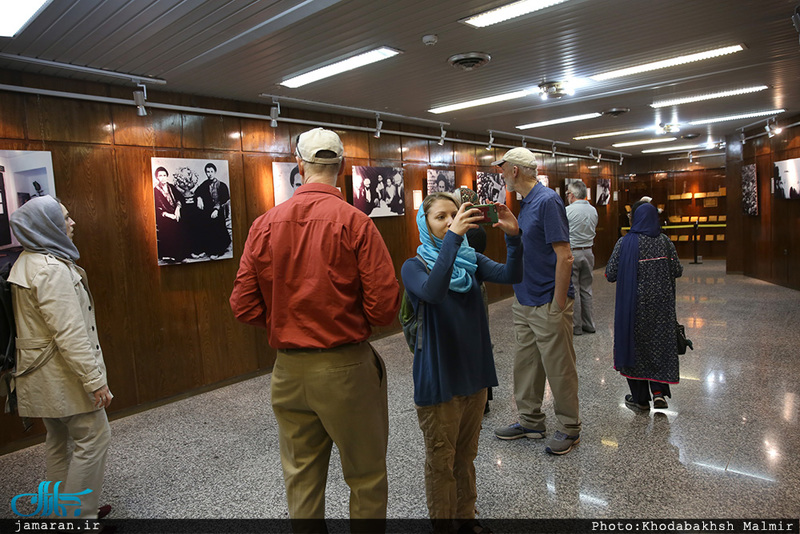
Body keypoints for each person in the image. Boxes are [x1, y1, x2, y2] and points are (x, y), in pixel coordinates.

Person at [230, 128, 400, 531]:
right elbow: (384, 308)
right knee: (366, 477)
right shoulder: (356, 223)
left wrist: (282, 320)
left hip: (287, 370)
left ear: (299, 164)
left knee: (302, 479)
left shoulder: (264, 225)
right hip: (346, 369)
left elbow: (242, 304)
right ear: (341, 167)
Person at [402, 192, 522, 534]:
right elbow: (434, 292)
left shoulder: (470, 260)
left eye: (454, 214)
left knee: (465, 458)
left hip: (474, 375)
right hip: (439, 379)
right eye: (441, 217)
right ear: (424, 224)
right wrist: (453, 239)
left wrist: (514, 238)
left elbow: (513, 273)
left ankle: (466, 519)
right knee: (441, 462)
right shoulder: (414, 266)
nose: (450, 221)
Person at [8, 196, 113, 520]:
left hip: (40, 375)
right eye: (65, 218)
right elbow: (70, 333)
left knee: (58, 439)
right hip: (63, 375)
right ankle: (79, 517)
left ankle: (58, 511)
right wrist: (95, 381)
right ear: (47, 226)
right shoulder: (52, 270)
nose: (72, 223)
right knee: (94, 437)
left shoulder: (26, 260)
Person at [491, 147, 582, 456]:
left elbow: (565, 257)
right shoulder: (527, 204)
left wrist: (558, 304)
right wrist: (513, 231)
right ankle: (531, 421)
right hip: (525, 298)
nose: (501, 174)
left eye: (502, 169)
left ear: (514, 170)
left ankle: (569, 427)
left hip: (546, 301)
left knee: (559, 368)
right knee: (526, 366)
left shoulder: (547, 202)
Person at [605, 201, 683, 410]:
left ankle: (640, 399)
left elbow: (610, 274)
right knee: (659, 347)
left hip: (634, 309)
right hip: (662, 308)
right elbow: (677, 270)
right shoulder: (665, 242)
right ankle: (658, 393)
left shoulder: (625, 243)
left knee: (636, 349)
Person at [566, 181, 598, 336]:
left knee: (574, 289)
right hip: (589, 252)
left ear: (571, 195)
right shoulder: (593, 210)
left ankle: (576, 326)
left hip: (573, 252)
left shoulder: (568, 211)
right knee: (587, 288)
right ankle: (589, 324)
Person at [194, 163, 231, 258]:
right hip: (207, 211)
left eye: (211, 172)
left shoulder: (222, 185)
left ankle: (218, 251)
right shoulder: (205, 184)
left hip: (219, 211)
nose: (209, 174)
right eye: (207, 172)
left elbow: (224, 199)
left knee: (216, 226)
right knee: (203, 225)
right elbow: (197, 192)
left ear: (215, 172)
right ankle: (207, 249)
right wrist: (199, 198)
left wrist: (216, 209)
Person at [153, 166, 186, 263]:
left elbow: (180, 198)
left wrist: (178, 208)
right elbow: (157, 208)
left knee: (184, 221)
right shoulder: (155, 191)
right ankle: (170, 255)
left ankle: (183, 252)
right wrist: (168, 215)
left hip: (175, 212)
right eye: (160, 176)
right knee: (170, 225)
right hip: (164, 216)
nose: (163, 177)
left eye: (164, 175)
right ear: (157, 177)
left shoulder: (171, 187)